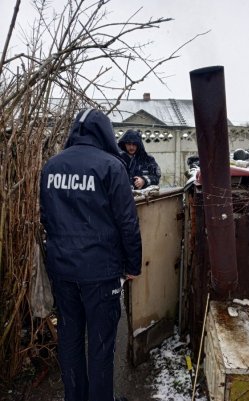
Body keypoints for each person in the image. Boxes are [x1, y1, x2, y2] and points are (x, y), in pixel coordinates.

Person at [40, 108, 142, 401]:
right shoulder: (111, 166)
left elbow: (47, 217)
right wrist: (132, 264)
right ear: (105, 133)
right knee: (100, 344)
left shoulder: (52, 166)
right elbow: (127, 222)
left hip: (62, 270)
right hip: (100, 273)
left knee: (70, 340)